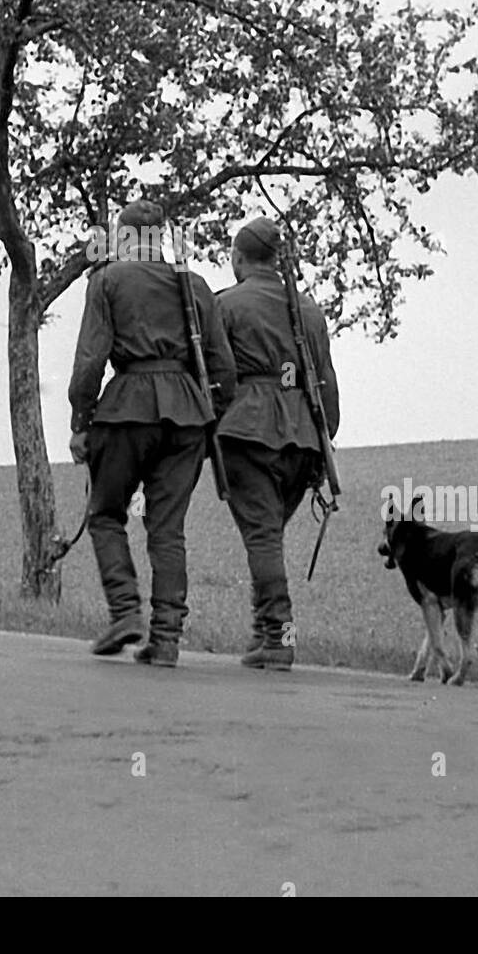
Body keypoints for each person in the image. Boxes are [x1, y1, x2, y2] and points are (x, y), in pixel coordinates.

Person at [68, 200, 236, 667]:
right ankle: (165, 639)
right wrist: (208, 417)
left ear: (124, 237)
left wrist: (81, 422)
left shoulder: (107, 281)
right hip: (187, 416)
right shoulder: (197, 286)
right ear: (160, 237)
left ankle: (125, 612)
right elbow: (224, 369)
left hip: (127, 408)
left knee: (105, 513)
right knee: (167, 530)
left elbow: (90, 362)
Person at [216, 216, 340, 670]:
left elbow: (217, 376)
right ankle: (262, 634)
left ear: (240, 258)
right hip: (303, 438)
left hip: (248, 432)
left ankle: (279, 638)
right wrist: (323, 437)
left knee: (263, 536)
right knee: (267, 536)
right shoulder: (309, 308)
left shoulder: (226, 305)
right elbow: (326, 382)